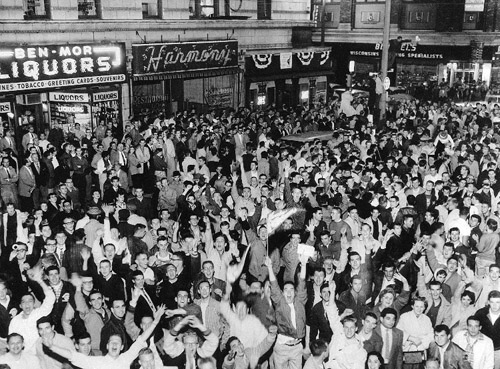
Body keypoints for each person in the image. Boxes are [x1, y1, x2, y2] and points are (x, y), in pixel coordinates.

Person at [39, 306, 165, 369]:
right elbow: (71, 355)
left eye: (118, 343)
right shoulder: (97, 363)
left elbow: (142, 339)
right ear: (106, 346)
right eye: (112, 343)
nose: (114, 345)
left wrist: (155, 321)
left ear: (122, 347)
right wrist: (52, 347)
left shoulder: (126, 358)